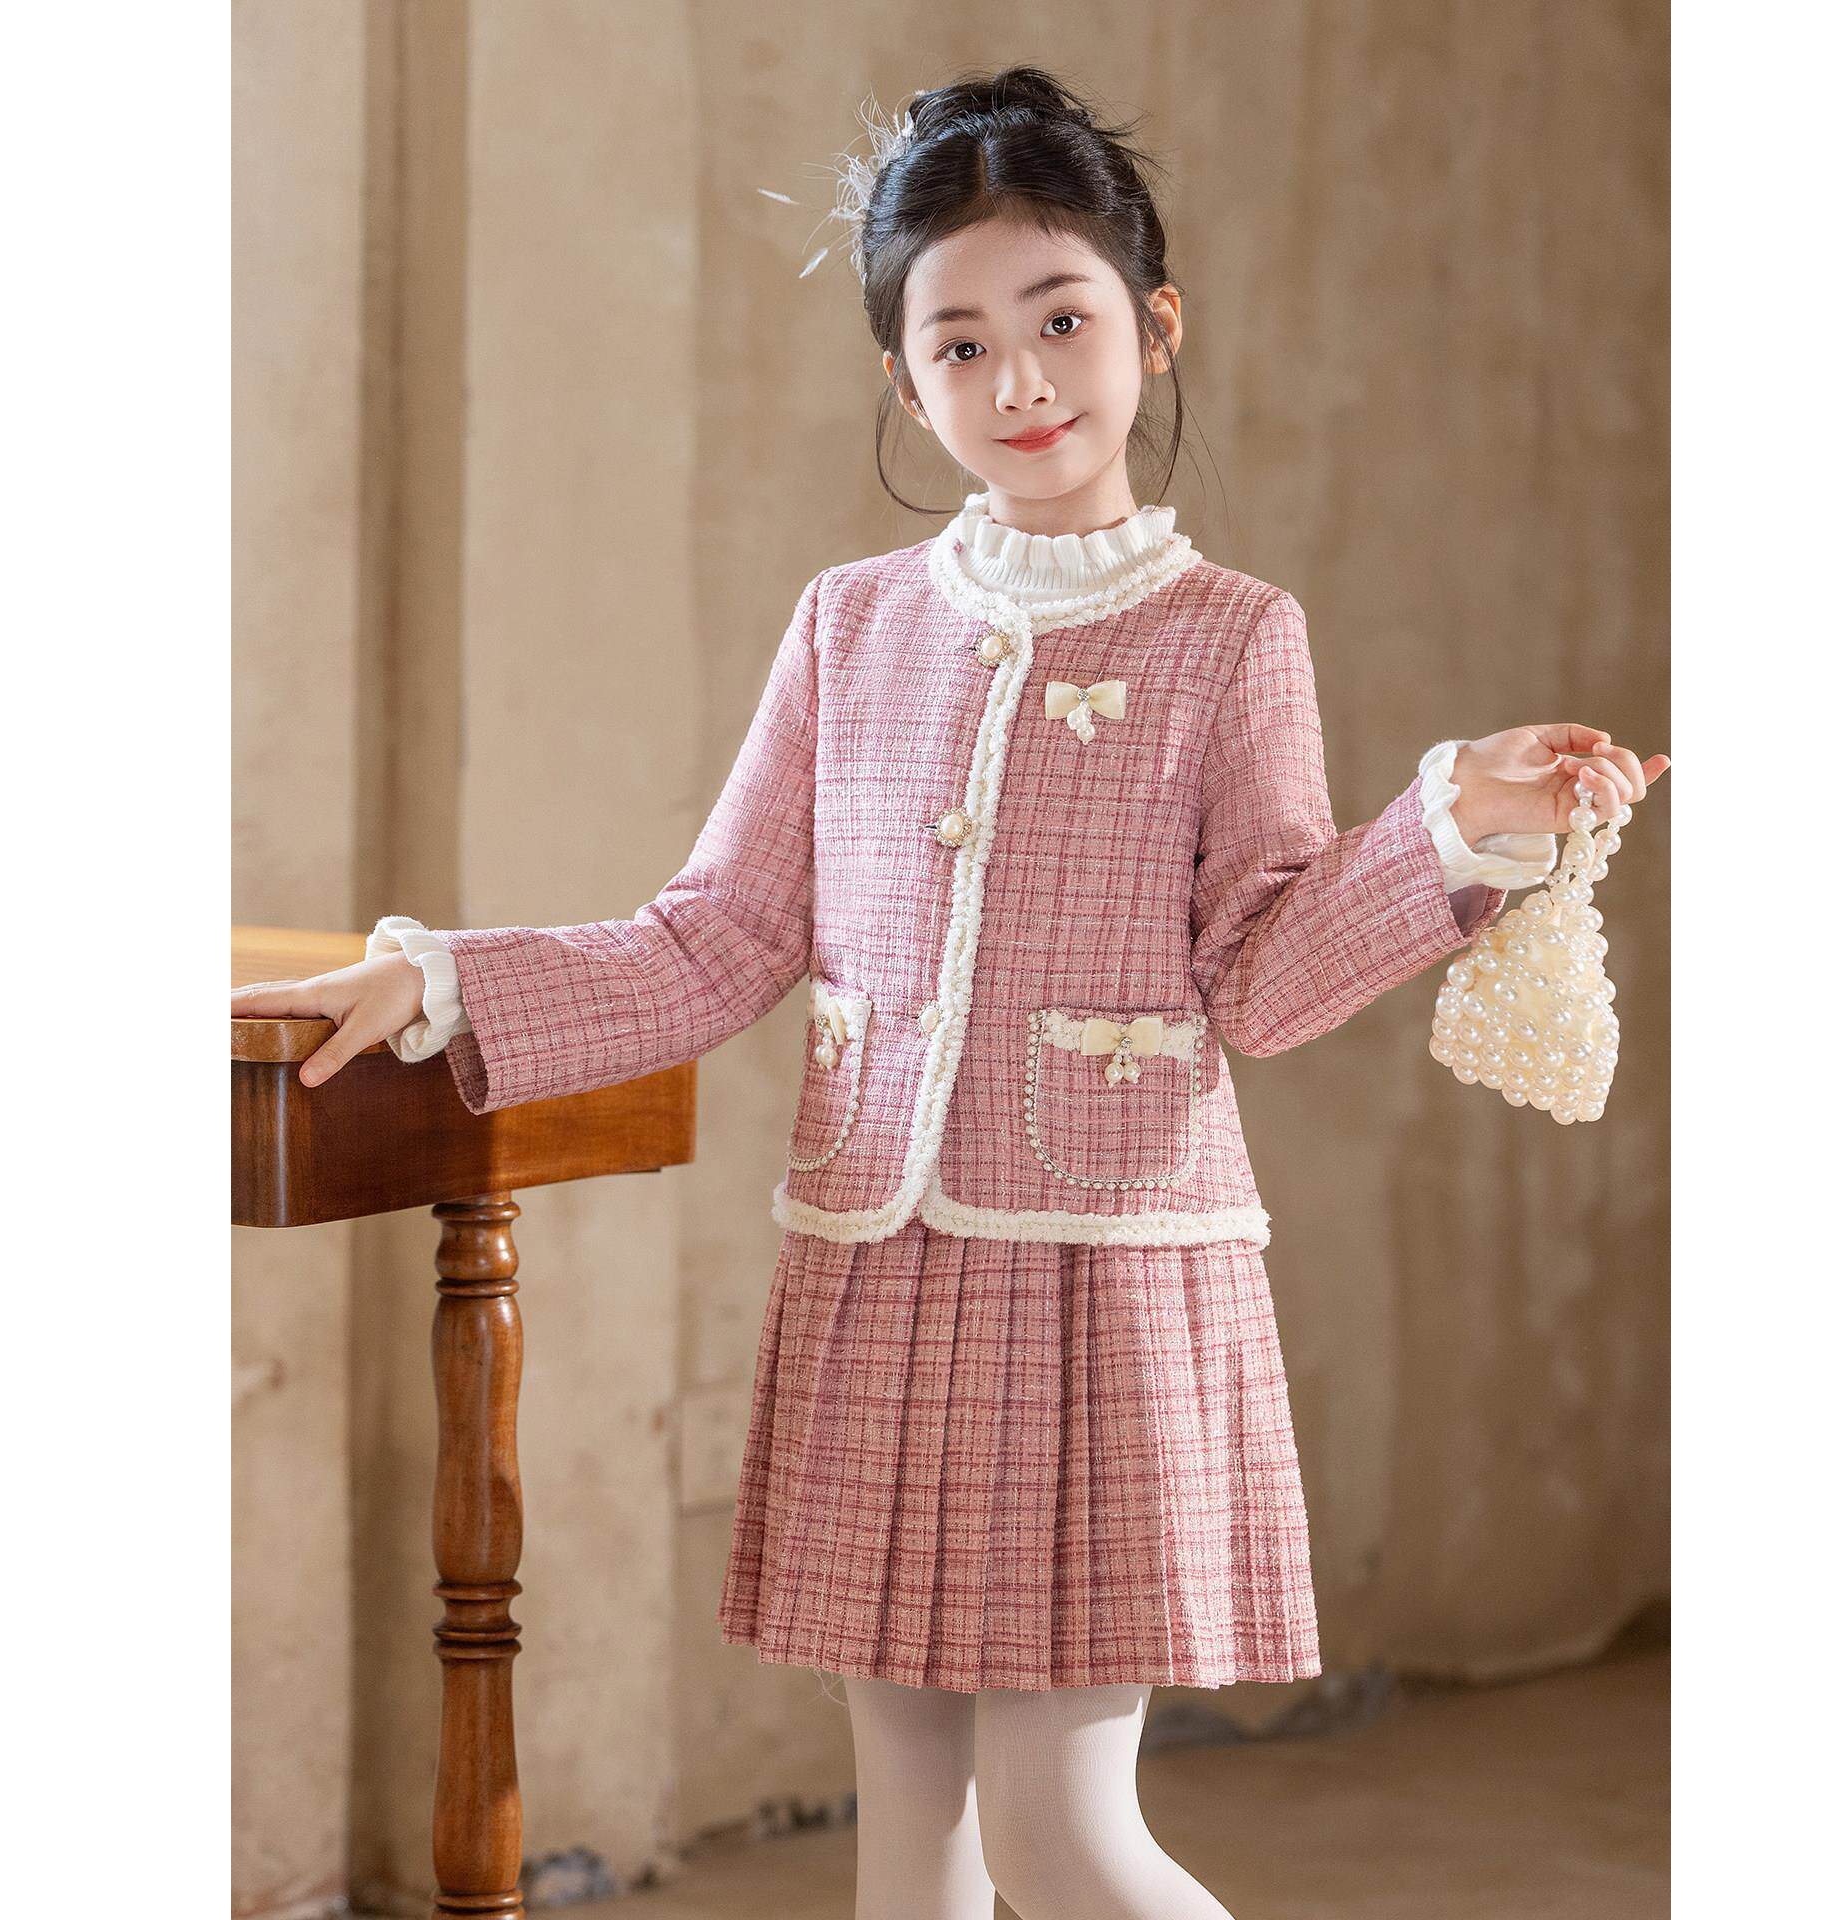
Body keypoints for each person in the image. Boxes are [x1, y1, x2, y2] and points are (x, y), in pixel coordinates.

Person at [231, 64, 1667, 1920]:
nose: (1020, 382)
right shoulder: (851, 625)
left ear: (1153, 324)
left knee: (1067, 1837)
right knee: (910, 1851)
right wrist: (438, 979)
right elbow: (713, 937)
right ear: (908, 385)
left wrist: (1453, 829)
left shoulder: (1234, 638)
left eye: (1060, 321)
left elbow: (1266, 977)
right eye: (961, 345)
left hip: (1104, 1284)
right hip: (876, 1271)